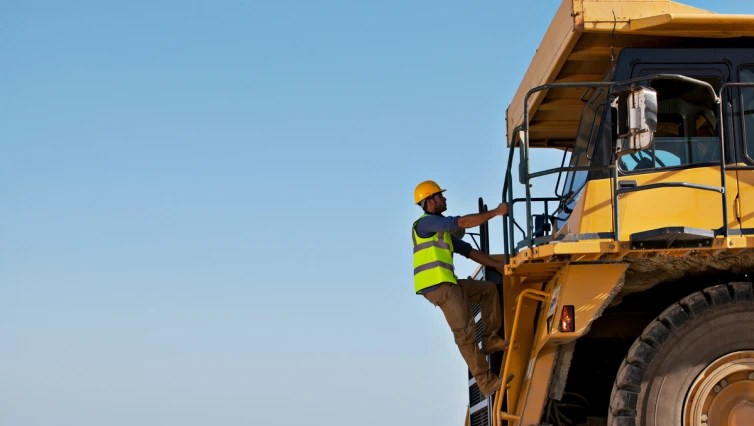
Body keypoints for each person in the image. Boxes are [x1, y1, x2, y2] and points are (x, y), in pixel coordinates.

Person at [412, 179, 510, 397]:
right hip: (439, 287)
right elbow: (459, 223)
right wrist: (496, 212)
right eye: (440, 196)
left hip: (450, 283)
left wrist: (497, 266)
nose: (444, 198)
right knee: (465, 334)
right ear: (429, 201)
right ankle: (487, 383)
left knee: (488, 290)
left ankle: (491, 339)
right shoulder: (425, 224)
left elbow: (469, 251)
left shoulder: (441, 232)